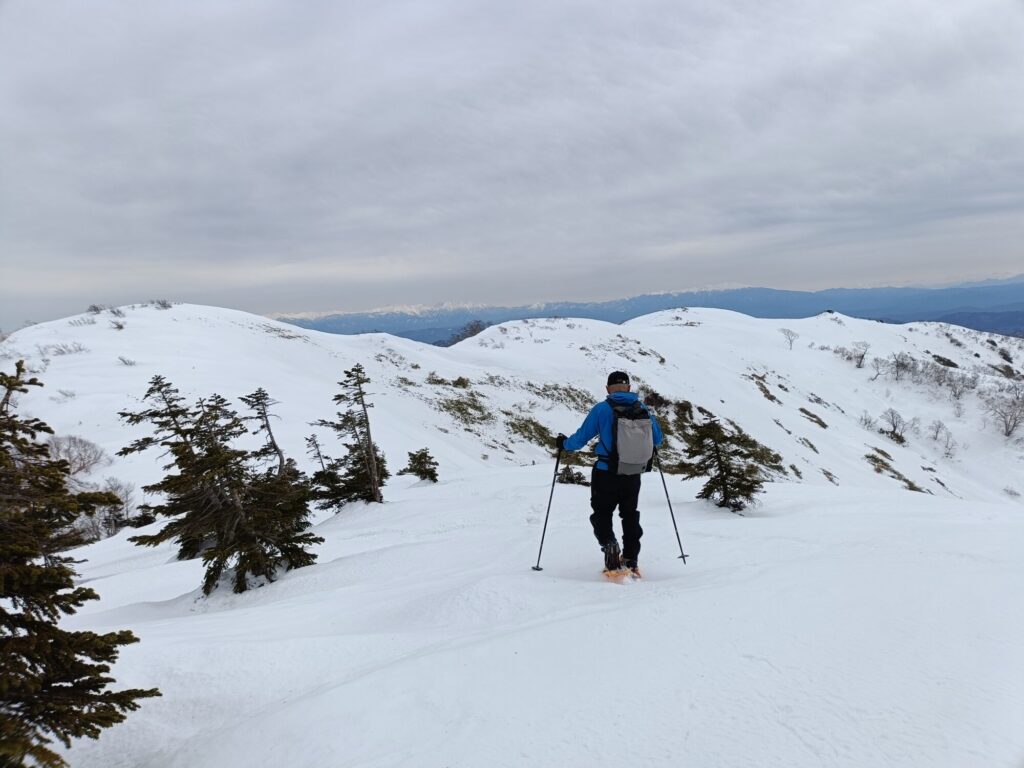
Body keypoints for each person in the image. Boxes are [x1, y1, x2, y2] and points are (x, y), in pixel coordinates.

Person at [556, 371, 663, 574]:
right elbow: (658, 440)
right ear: (629, 388)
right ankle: (631, 559)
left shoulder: (602, 409)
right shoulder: (644, 410)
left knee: (602, 514)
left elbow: (580, 439)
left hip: (606, 472)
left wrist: (563, 444)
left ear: (607, 389)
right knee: (630, 515)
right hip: (632, 473)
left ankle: (610, 546)